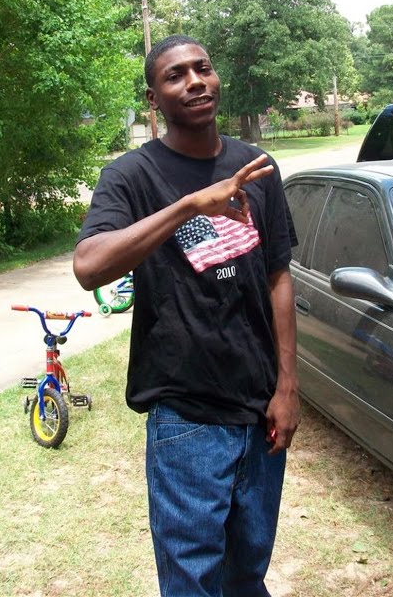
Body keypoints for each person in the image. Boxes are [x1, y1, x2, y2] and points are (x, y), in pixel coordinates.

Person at [73, 35, 300, 596]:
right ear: (154, 99)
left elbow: (278, 276)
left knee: (247, 572)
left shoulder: (256, 167)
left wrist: (288, 387)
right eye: (175, 75)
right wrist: (189, 206)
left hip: (261, 409)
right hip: (186, 415)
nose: (195, 81)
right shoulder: (131, 176)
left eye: (203, 68)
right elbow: (89, 266)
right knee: (192, 581)